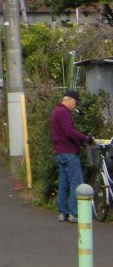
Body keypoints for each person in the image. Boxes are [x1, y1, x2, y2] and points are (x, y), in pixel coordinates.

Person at [50, 90, 94, 223]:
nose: (76, 105)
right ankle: (74, 213)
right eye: (75, 102)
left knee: (63, 183)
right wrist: (85, 138)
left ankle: (62, 212)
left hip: (60, 152)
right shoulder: (63, 112)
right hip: (69, 152)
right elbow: (70, 132)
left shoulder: (55, 111)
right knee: (76, 183)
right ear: (68, 99)